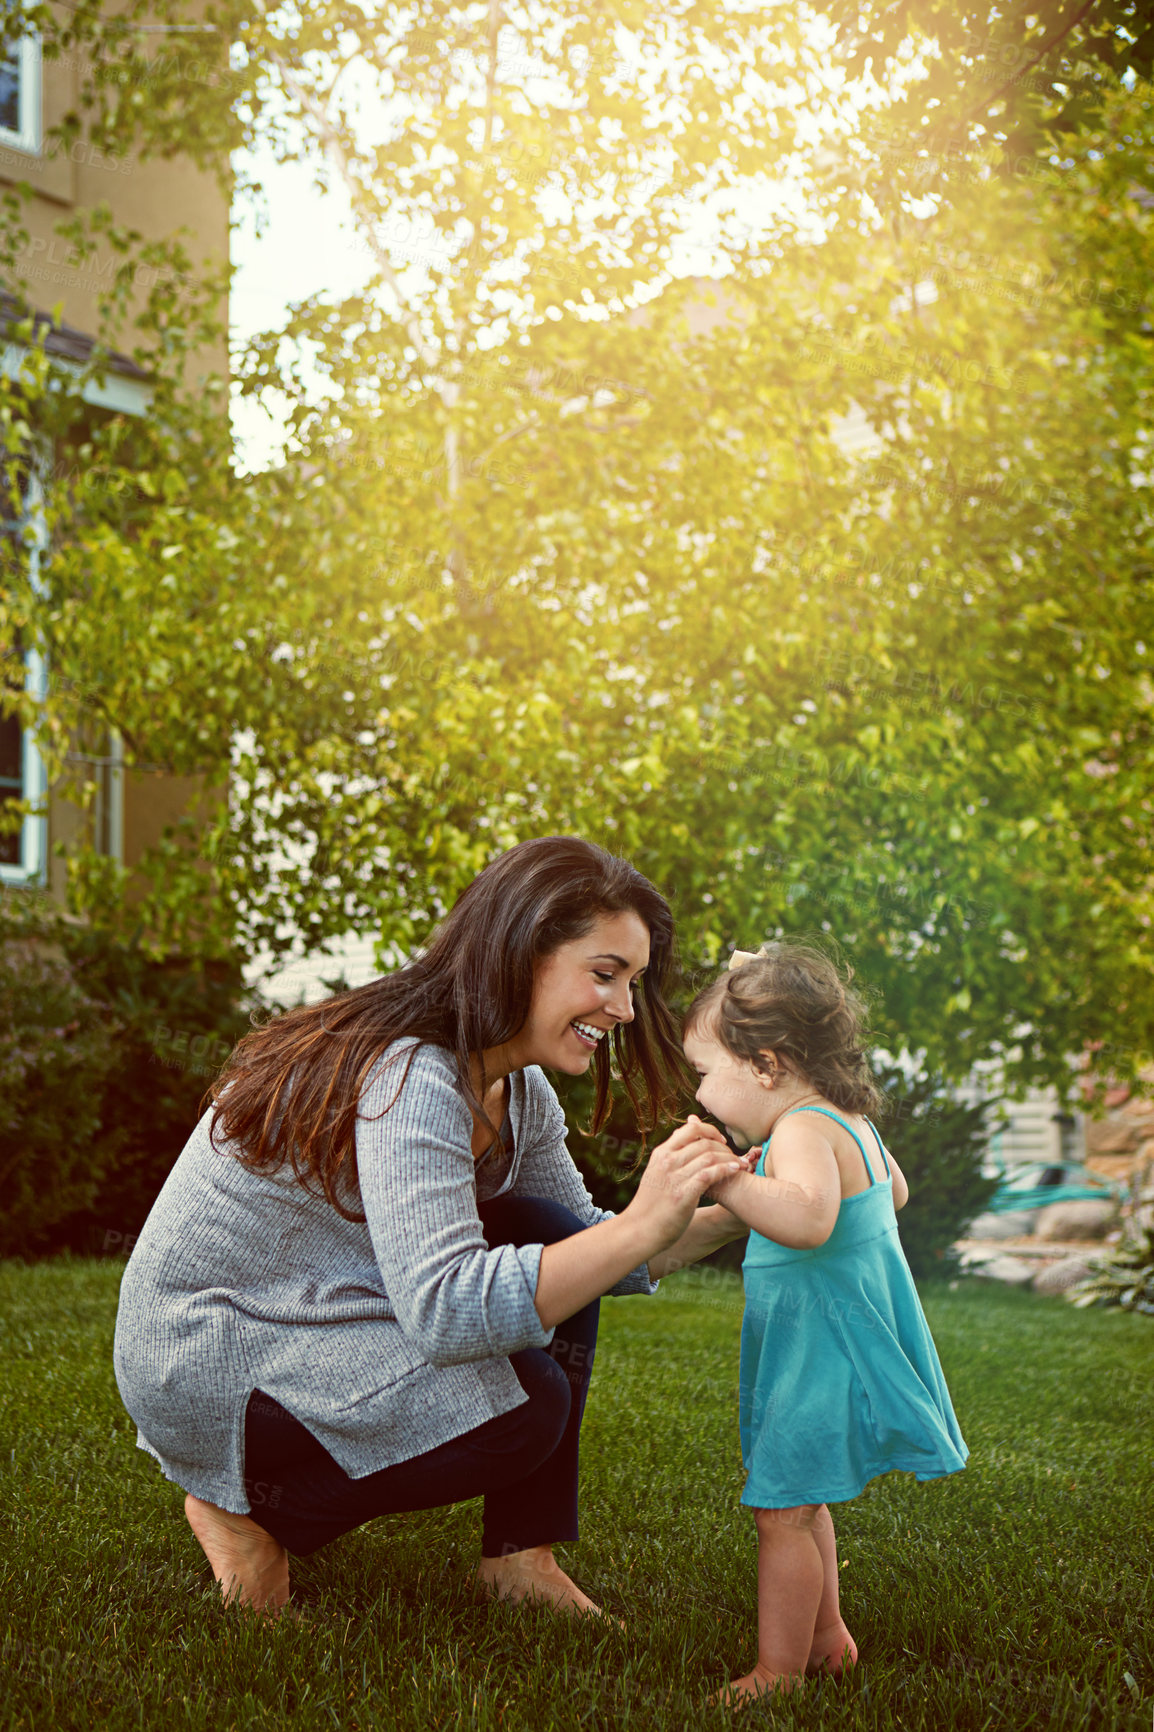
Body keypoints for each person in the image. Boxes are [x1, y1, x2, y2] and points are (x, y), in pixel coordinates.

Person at [113, 836, 747, 1622]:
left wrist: (724, 1217)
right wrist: (643, 1221)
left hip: (316, 1314)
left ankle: (520, 1559)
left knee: (549, 1229)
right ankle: (250, 1512)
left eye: (634, 984)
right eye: (605, 975)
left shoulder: (517, 1093)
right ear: (523, 952)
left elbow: (586, 1245)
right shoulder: (413, 1075)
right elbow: (447, 1312)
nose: (622, 1009)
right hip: (212, 1353)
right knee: (527, 1403)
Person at [682, 940, 968, 1704]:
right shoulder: (845, 1121)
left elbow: (809, 1220)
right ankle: (827, 1638)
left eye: (708, 1073)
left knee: (780, 1508)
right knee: (804, 1498)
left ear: (766, 1064)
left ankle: (777, 1673)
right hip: (835, 1339)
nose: (703, 1094)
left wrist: (728, 1186)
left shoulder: (803, 1129)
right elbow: (893, 1193)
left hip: (822, 1349)